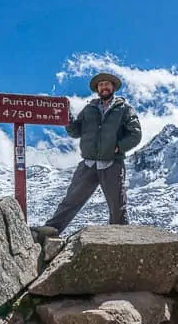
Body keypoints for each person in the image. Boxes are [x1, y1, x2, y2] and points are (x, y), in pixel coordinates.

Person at [32, 72, 142, 238]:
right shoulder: (89, 109)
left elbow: (135, 134)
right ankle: (50, 232)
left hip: (112, 163)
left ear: (113, 87)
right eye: (101, 85)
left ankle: (121, 241)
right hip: (88, 164)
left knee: (117, 205)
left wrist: (118, 147)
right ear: (97, 89)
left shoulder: (124, 109)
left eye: (107, 84)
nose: (104, 87)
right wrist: (66, 118)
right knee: (71, 200)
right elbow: (76, 131)